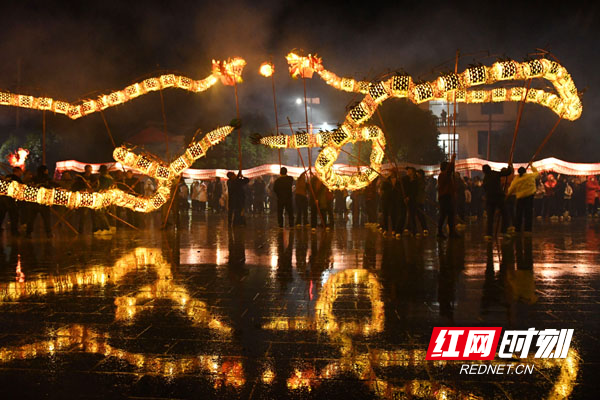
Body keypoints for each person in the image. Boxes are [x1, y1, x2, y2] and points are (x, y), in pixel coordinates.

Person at [482, 163, 513, 240]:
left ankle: (489, 234)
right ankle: (503, 232)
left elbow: (485, 189)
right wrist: (510, 167)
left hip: (490, 198)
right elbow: (507, 173)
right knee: (505, 214)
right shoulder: (494, 173)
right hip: (499, 197)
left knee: (490, 217)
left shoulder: (485, 178)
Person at [507, 166, 539, 234]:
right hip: (529, 197)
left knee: (519, 214)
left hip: (520, 198)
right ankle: (528, 230)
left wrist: (507, 195)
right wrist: (531, 166)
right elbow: (536, 172)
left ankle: (518, 229)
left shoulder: (516, 179)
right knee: (528, 214)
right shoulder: (530, 176)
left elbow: (511, 189)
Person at [25, 166, 55, 238]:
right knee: (46, 218)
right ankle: (48, 233)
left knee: (31, 218)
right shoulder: (47, 179)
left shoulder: (34, 179)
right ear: (44, 171)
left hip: (34, 202)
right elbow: (53, 186)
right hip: (44, 202)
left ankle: (28, 233)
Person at [437, 154, 459, 239]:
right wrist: (452, 159)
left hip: (447, 197)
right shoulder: (443, 175)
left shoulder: (445, 175)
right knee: (444, 215)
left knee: (450, 215)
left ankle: (451, 232)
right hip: (445, 197)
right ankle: (440, 232)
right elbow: (450, 170)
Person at [0, 166, 24, 235]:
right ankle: (14, 231)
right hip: (11, 200)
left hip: (2, 199)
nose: (21, 173)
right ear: (18, 171)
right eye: (21, 172)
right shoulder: (17, 180)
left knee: (1, 215)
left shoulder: (7, 177)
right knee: (14, 216)